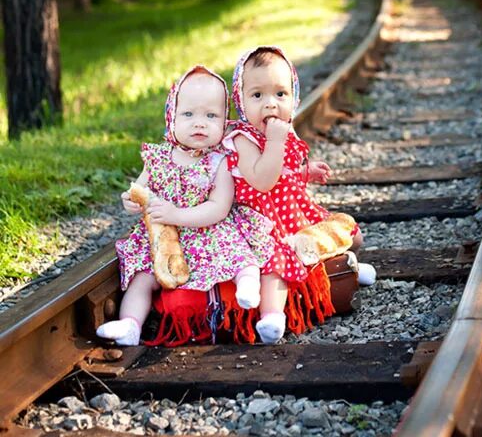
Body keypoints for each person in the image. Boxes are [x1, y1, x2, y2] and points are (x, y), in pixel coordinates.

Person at [96, 66, 274, 346]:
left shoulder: (220, 161)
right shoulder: (158, 157)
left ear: (224, 122)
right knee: (142, 279)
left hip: (209, 232)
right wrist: (130, 201)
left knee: (242, 257)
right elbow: (140, 190)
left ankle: (248, 286)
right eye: (189, 114)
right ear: (172, 117)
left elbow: (219, 207)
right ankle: (130, 324)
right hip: (164, 238)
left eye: (211, 115)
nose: (199, 123)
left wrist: (178, 214)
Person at [224, 45, 376, 344]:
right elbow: (263, 181)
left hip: (295, 212)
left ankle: (348, 264)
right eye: (257, 96)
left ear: (293, 97)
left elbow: (285, 174)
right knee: (277, 263)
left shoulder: (284, 129)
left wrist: (306, 173)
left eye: (280, 94)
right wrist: (275, 141)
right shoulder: (242, 138)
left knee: (351, 235)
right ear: (240, 101)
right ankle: (272, 317)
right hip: (262, 222)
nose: (270, 105)